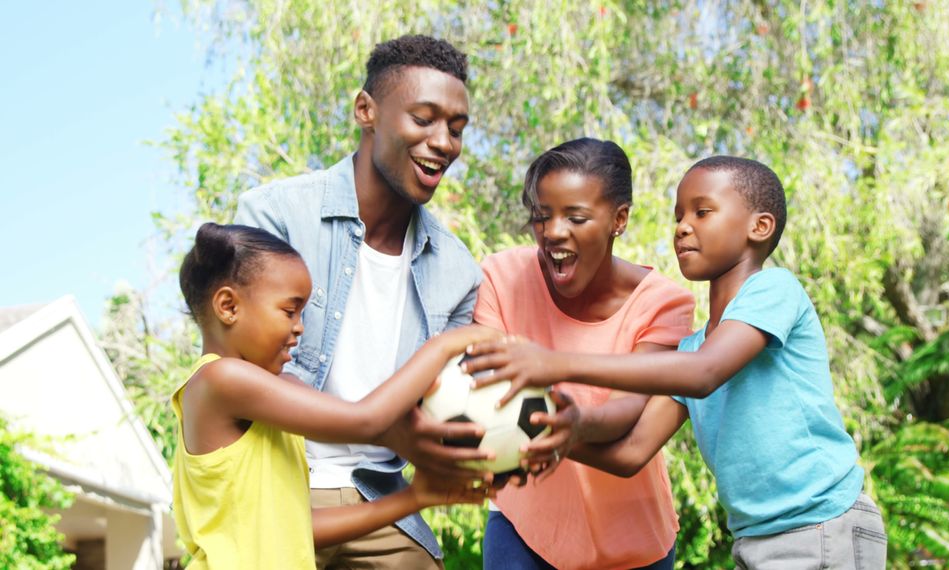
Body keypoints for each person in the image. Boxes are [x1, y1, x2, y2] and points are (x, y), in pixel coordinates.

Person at [467, 156, 889, 569]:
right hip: (756, 538)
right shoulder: (689, 351)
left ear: (759, 227)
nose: (683, 226)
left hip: (821, 527)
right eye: (678, 216)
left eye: (702, 212)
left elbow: (705, 374)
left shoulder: (774, 290)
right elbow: (630, 453)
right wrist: (558, 433)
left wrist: (554, 364)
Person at [233, 35, 485, 568]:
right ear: (365, 110)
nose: (443, 142)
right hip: (275, 480)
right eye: (424, 119)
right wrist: (373, 419)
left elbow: (435, 408)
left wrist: (494, 442)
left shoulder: (457, 270)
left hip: (381, 497)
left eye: (457, 129)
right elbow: (246, 371)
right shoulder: (274, 216)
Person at [172, 223, 498, 569]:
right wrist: (442, 346)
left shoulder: (268, 391)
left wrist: (416, 497)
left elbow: (298, 529)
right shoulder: (220, 380)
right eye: (289, 310)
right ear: (228, 306)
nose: (300, 326)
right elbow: (366, 420)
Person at [473, 138, 695, 570]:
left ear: (619, 219)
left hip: (634, 544)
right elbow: (486, 392)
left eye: (575, 217)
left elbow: (626, 413)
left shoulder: (665, 305)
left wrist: (570, 424)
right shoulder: (501, 276)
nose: (553, 231)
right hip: (524, 524)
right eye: (541, 216)